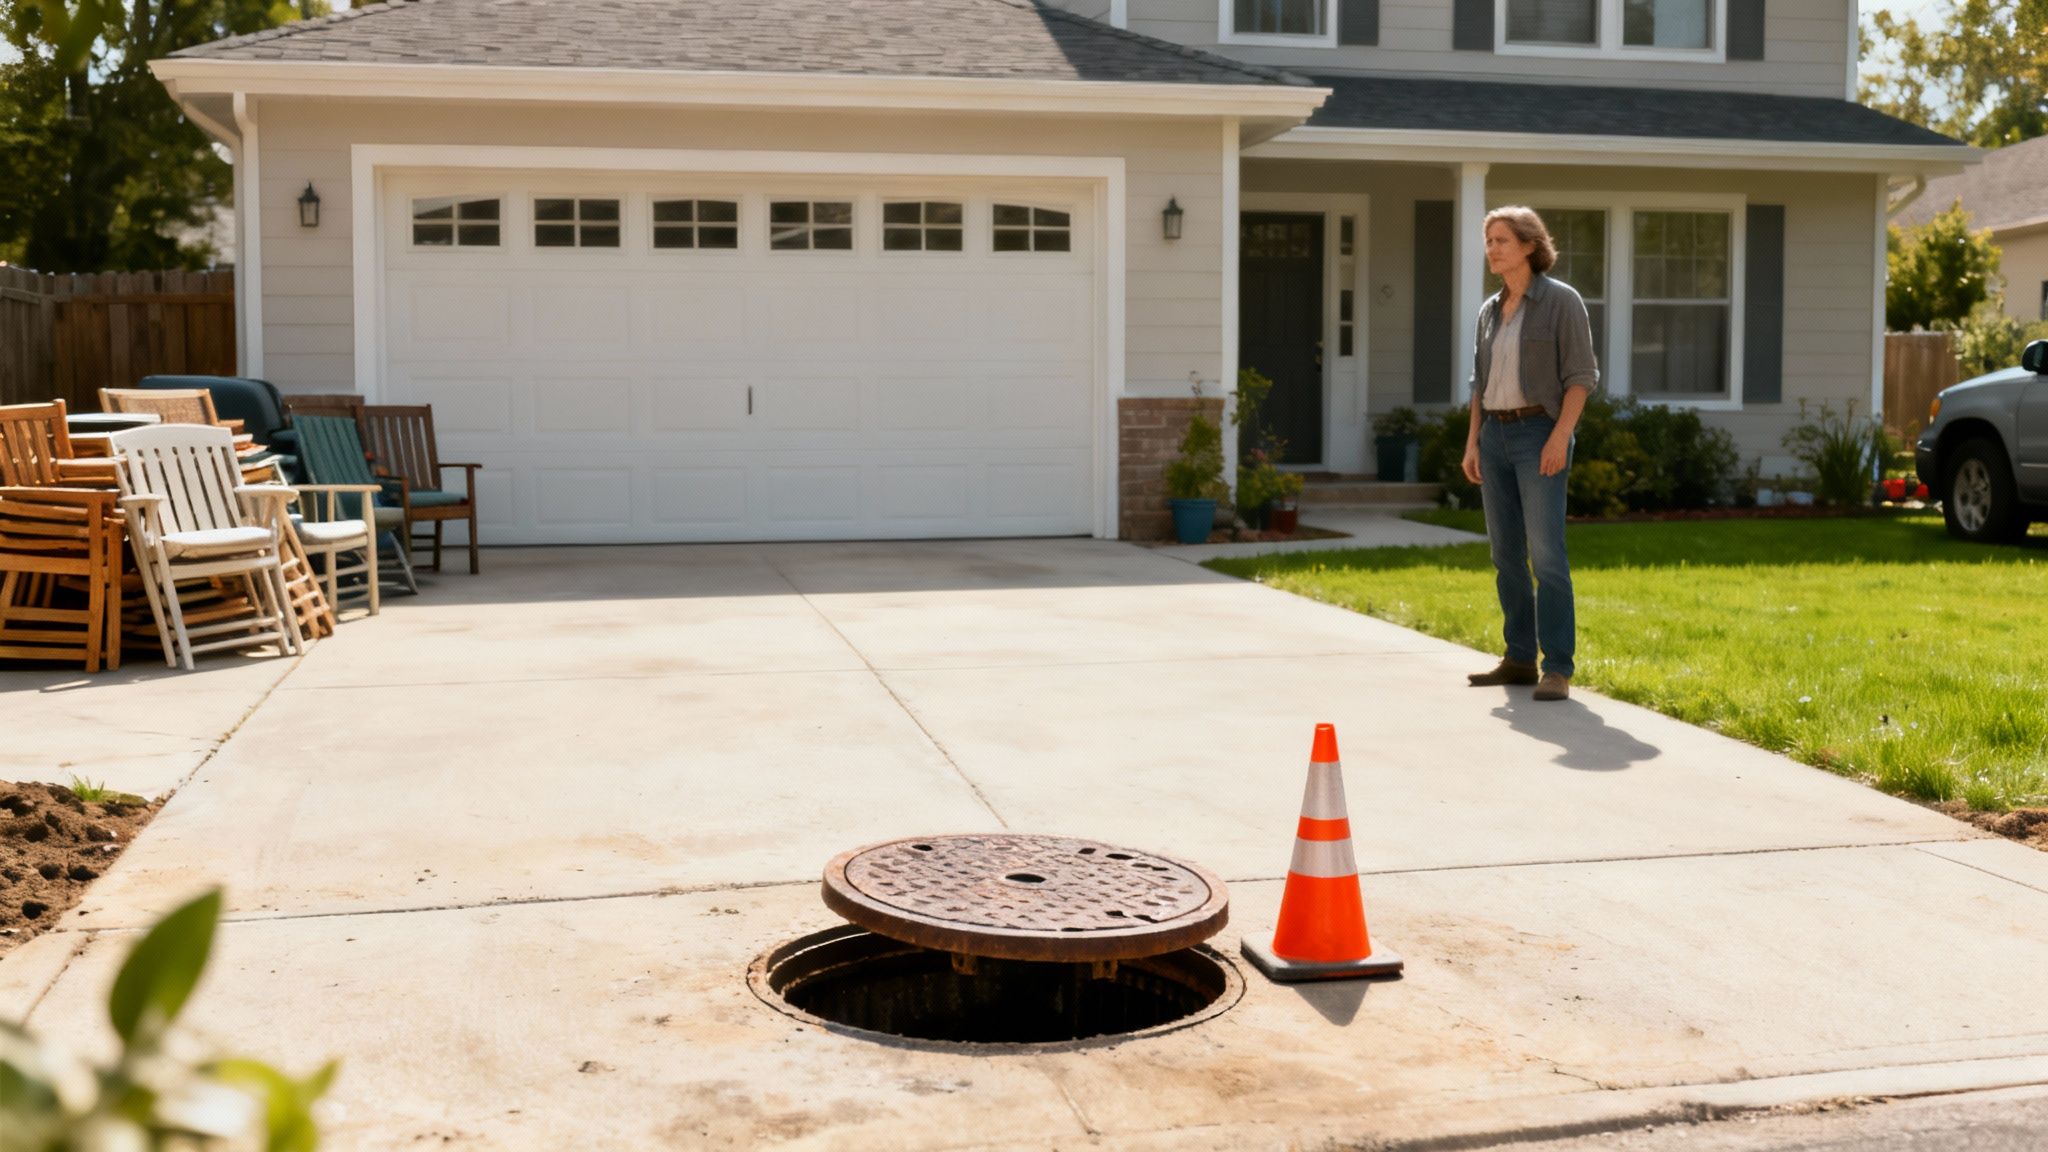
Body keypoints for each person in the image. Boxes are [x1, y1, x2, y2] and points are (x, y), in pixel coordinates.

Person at [1460, 206, 1599, 702]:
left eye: (1501, 240)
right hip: (1495, 434)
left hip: (1540, 430)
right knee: (1505, 555)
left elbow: (1581, 377)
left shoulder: (1562, 302)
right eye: (1488, 240)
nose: (1492, 248)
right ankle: (1519, 657)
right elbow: (1479, 383)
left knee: (1547, 555)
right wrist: (1473, 440)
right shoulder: (1487, 311)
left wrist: (1560, 437)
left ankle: (1557, 666)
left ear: (1528, 246)